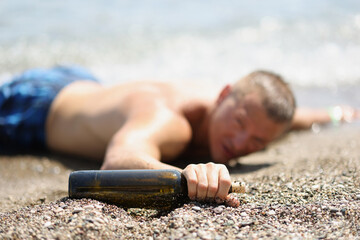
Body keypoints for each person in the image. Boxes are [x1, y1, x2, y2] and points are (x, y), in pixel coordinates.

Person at [0, 65, 358, 205]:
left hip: (86, 84)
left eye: (257, 142)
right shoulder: (169, 118)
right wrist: (185, 174)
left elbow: (290, 120)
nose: (240, 142)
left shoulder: (251, 122)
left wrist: (336, 114)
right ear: (222, 94)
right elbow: (119, 159)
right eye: (239, 123)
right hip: (35, 107)